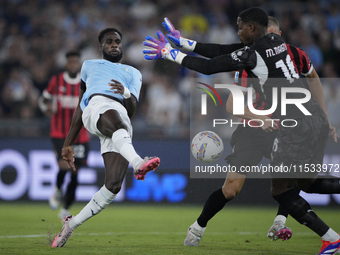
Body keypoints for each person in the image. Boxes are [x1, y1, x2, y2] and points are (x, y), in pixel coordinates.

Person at [143, 8, 340, 255]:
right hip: (310, 120)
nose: (237, 32)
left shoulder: (253, 57)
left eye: (240, 27)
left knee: (281, 191)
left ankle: (331, 239)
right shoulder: (277, 43)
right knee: (307, 182)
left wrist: (168, 53)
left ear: (252, 29)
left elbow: (210, 66)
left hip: (292, 126)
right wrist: (184, 43)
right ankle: (296, 227)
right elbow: (225, 51)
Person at [51, 27, 160, 248]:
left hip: (120, 120)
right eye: (109, 42)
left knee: (113, 186)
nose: (114, 45)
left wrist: (125, 93)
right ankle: (138, 162)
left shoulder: (133, 73)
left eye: (117, 42)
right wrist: (67, 143)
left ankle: (70, 225)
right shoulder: (89, 66)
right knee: (115, 121)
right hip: (97, 108)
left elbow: (132, 110)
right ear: (101, 46)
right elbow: (81, 107)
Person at [39, 51, 90, 221]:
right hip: (59, 133)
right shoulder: (57, 81)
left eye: (76, 62)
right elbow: (44, 100)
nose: (73, 65)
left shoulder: (86, 83)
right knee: (64, 167)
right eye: (70, 62)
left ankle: (66, 208)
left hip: (81, 135)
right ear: (66, 64)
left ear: (79, 64)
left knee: (75, 173)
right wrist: (45, 108)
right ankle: (58, 189)